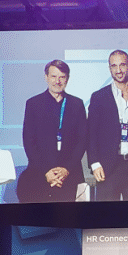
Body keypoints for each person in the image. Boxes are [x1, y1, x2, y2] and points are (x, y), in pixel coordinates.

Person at [88, 50, 128, 201]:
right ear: (109, 68)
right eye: (114, 66)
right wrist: (94, 164)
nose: (118, 70)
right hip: (108, 166)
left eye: (122, 65)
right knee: (108, 214)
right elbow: (91, 134)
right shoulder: (99, 97)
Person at [19, 59, 87, 203]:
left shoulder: (77, 104)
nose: (57, 81)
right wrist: (47, 171)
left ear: (67, 79)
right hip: (40, 174)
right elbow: (29, 141)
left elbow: (82, 141)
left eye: (62, 77)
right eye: (53, 76)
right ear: (46, 77)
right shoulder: (33, 104)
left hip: (69, 175)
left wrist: (66, 170)